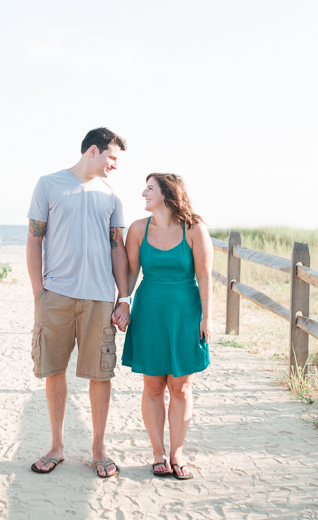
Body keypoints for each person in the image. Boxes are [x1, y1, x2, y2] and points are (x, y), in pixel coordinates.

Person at [26, 127, 132, 479]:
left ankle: (98, 449)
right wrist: (38, 291)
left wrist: (124, 296)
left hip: (100, 298)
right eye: (112, 157)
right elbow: (33, 240)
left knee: (100, 375)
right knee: (53, 370)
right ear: (92, 151)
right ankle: (56, 446)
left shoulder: (112, 196)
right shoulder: (49, 184)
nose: (115, 165)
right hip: (55, 296)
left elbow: (117, 248)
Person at [120, 173, 212, 481]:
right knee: (154, 385)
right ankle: (158, 453)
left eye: (149, 188)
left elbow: (205, 276)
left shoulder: (194, 228)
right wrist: (123, 301)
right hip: (149, 313)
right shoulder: (137, 229)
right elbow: (131, 274)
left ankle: (177, 453)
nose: (143, 193)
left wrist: (207, 318)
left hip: (185, 313)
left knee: (181, 387)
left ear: (167, 194)